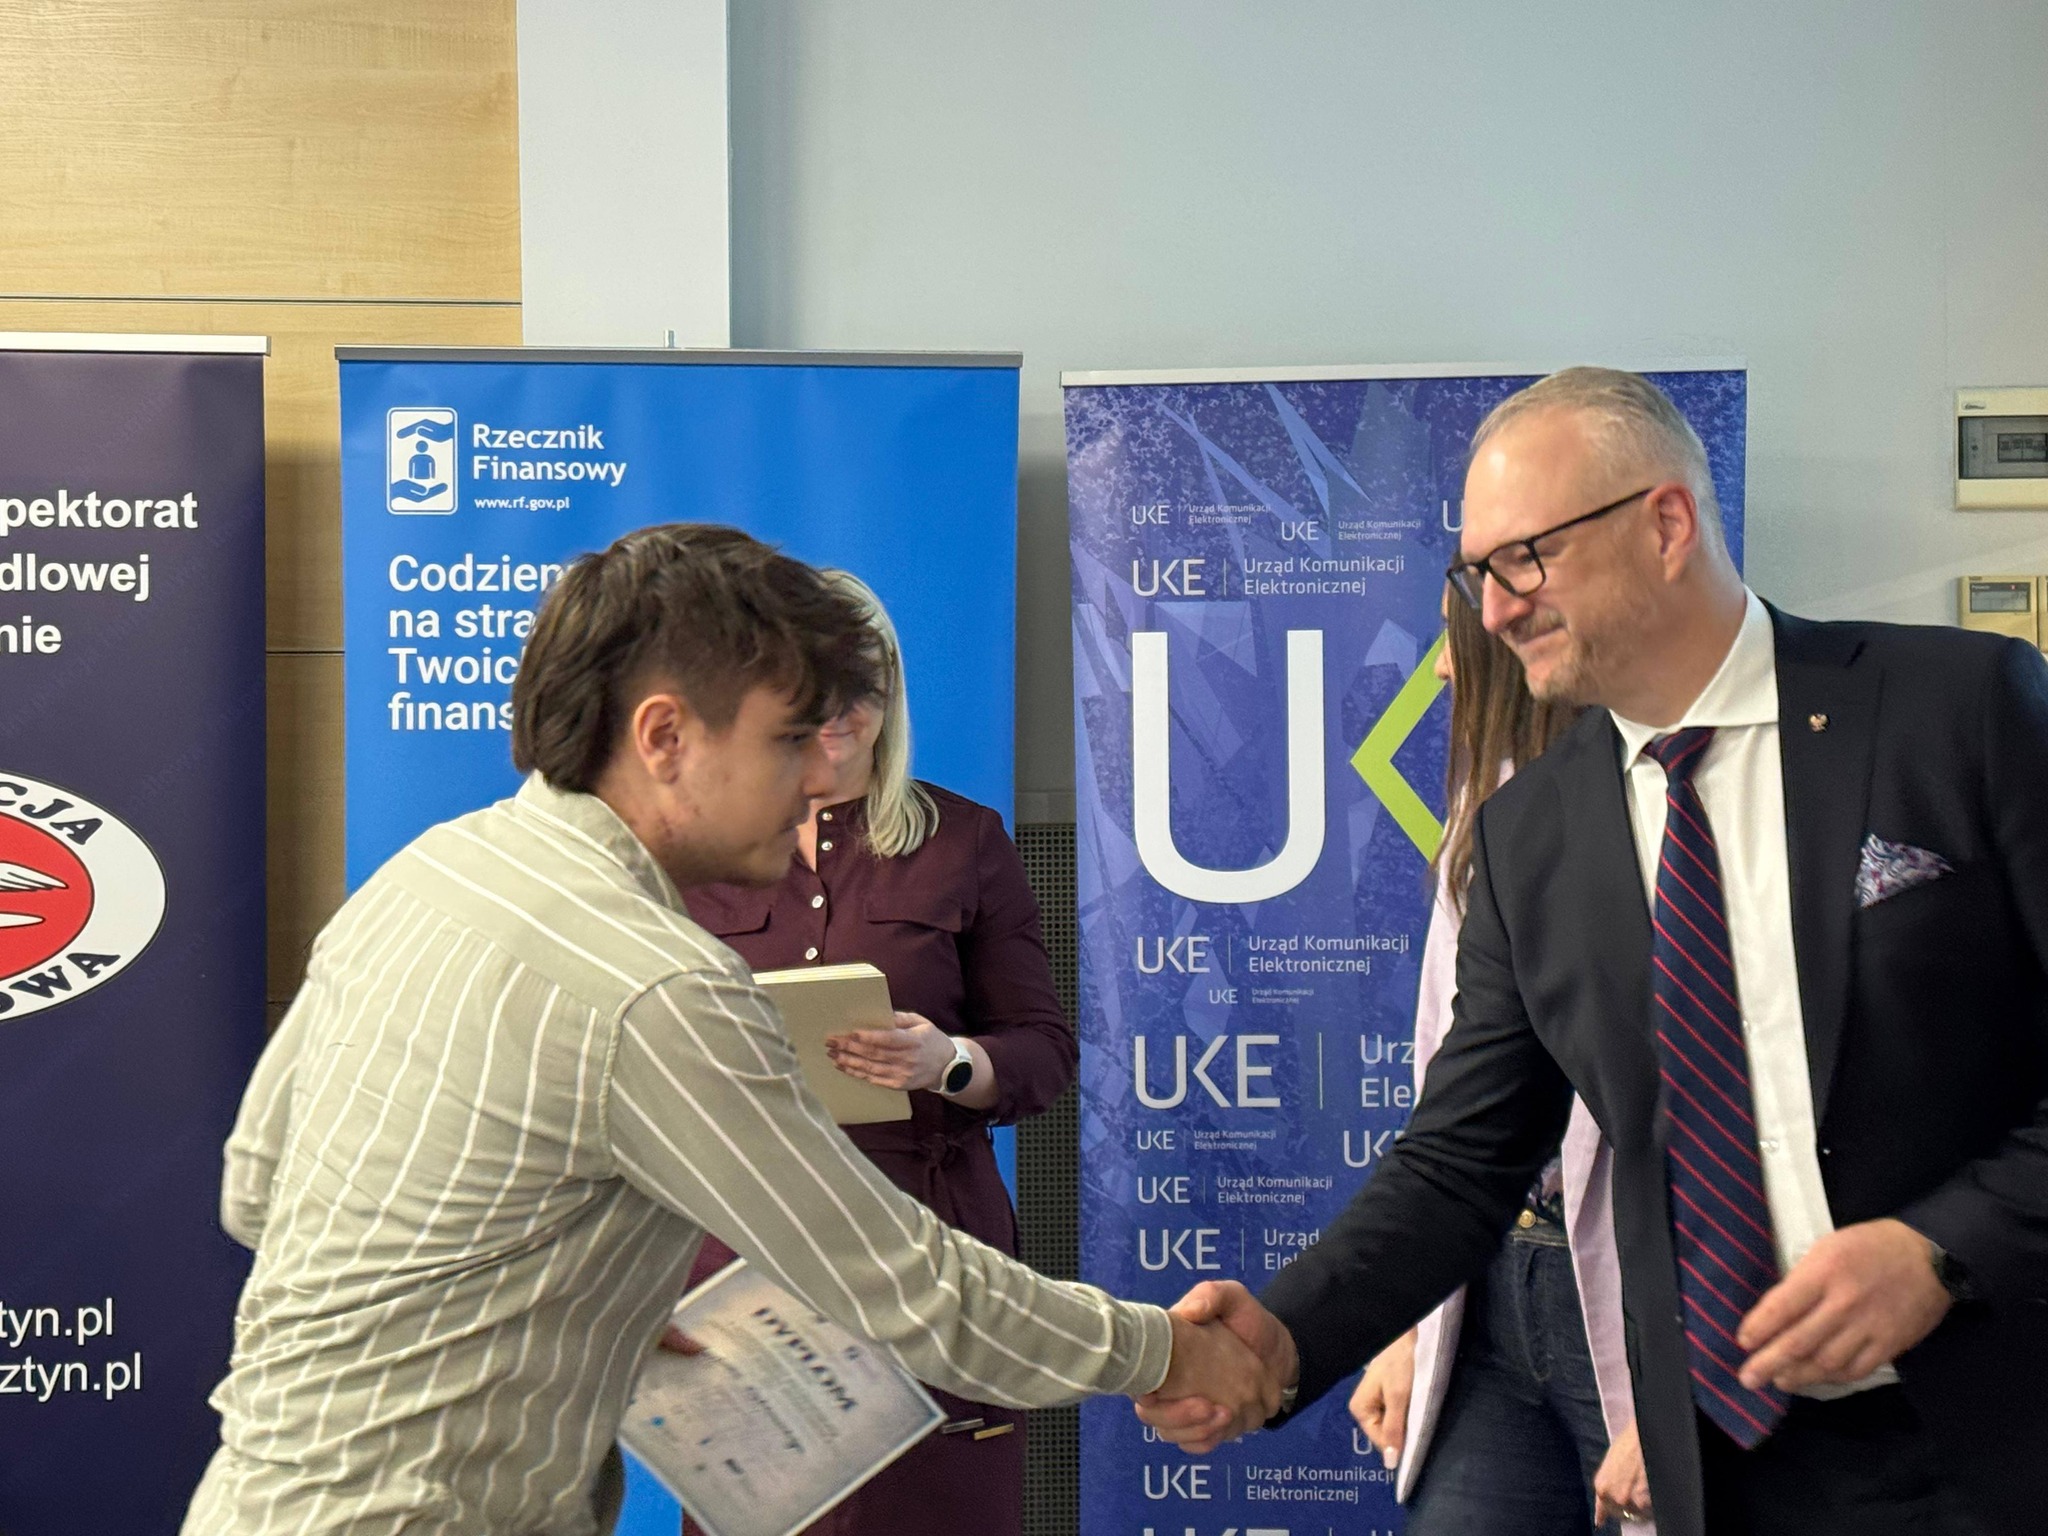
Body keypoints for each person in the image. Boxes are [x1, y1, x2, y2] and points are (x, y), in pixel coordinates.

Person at [184, 524, 1277, 1536]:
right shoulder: (654, 984)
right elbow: (903, 1284)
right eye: (788, 739)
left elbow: (255, 1187)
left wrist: (583, 1309)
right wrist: (1165, 1351)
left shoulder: (429, 874)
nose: (817, 776)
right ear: (664, 735)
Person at [1139, 368, 2048, 1536]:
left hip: (1996, 1430)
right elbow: (1459, 1159)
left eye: (1524, 560)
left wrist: (1938, 1249)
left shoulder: (1958, 706)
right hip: (1725, 1462)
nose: (1492, 611)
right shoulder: (1530, 835)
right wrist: (1284, 1334)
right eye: (1475, 575)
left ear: (1664, 524)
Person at [673, 571, 1071, 1536]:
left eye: (866, 683)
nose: (843, 710)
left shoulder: (964, 840)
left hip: (929, 1246)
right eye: (817, 685)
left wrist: (949, 1063)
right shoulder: (701, 850)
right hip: (751, 1255)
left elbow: (1045, 1052)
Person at [1348, 590, 1654, 1532]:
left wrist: (1692, 1390)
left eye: (1456, 638)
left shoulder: (1663, 813)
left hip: (1643, 1310)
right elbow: (1453, 1110)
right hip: (1490, 1292)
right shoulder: (1485, 819)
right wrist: (1410, 1324)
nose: (1444, 666)